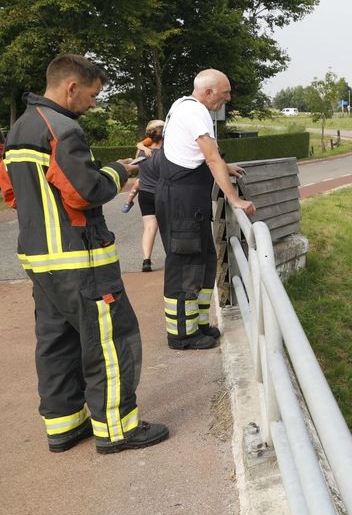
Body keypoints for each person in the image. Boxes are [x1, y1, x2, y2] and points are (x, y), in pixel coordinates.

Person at [0, 54, 169, 453]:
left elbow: (11, 193)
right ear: (71, 87)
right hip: (80, 260)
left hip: (40, 262)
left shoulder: (20, 128)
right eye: (93, 95)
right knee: (109, 341)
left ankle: (64, 426)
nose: (94, 103)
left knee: (56, 343)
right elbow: (86, 191)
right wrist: (119, 170)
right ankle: (117, 429)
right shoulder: (63, 130)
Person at [157, 69, 255, 350]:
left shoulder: (181, 106)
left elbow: (194, 154)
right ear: (209, 92)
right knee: (186, 267)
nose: (228, 98)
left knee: (202, 261)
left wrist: (226, 167)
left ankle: (198, 325)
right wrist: (234, 199)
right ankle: (181, 336)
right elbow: (211, 158)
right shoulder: (197, 113)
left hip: (186, 201)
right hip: (182, 202)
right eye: (225, 92)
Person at [124, 120, 165, 272]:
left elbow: (138, 166)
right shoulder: (167, 152)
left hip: (145, 193)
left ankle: (146, 260)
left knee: (149, 227)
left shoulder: (142, 151)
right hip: (163, 193)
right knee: (168, 226)